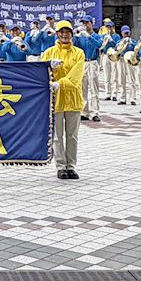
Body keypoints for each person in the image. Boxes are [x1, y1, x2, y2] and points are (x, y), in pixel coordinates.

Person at [42, 20, 85, 180]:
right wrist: (49, 68)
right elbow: (41, 74)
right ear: (57, 34)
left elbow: (76, 76)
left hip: (73, 98)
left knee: (72, 136)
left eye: (67, 32)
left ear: (72, 34)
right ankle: (61, 166)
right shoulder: (49, 53)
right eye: (61, 32)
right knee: (57, 136)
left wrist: (60, 83)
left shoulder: (79, 53)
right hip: (55, 99)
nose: (64, 35)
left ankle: (71, 166)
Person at [75, 16, 102, 121]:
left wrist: (89, 37)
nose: (85, 25)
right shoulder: (81, 36)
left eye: (87, 23)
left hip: (93, 62)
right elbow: (74, 46)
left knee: (94, 88)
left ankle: (95, 112)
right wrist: (76, 35)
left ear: (91, 23)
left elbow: (99, 45)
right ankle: (84, 112)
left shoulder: (96, 36)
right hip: (83, 62)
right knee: (83, 88)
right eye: (83, 23)